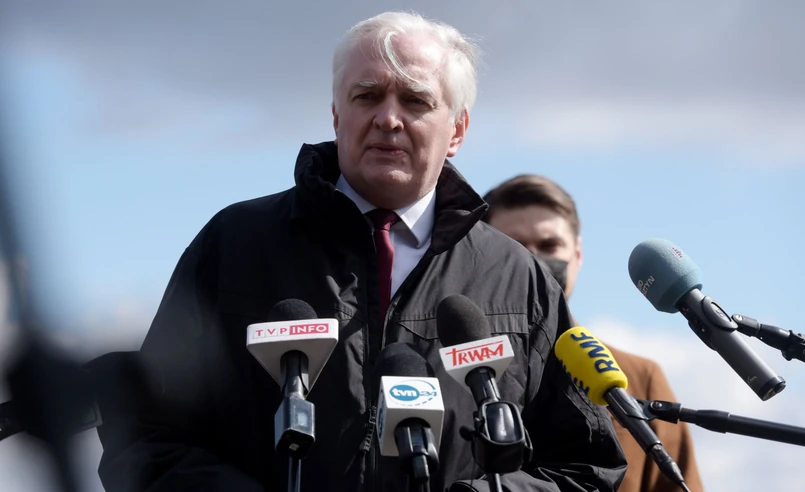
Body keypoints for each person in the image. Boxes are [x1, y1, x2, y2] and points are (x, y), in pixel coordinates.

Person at [96, 12, 627, 492]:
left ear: (458, 130)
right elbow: (144, 436)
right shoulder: (236, 243)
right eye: (367, 96)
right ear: (336, 115)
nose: (388, 118)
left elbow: (586, 467)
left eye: (415, 101)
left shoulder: (517, 277)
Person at [482, 174, 705, 492]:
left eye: (549, 246)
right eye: (514, 247)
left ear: (578, 254)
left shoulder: (640, 377)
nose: (533, 262)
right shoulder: (457, 369)